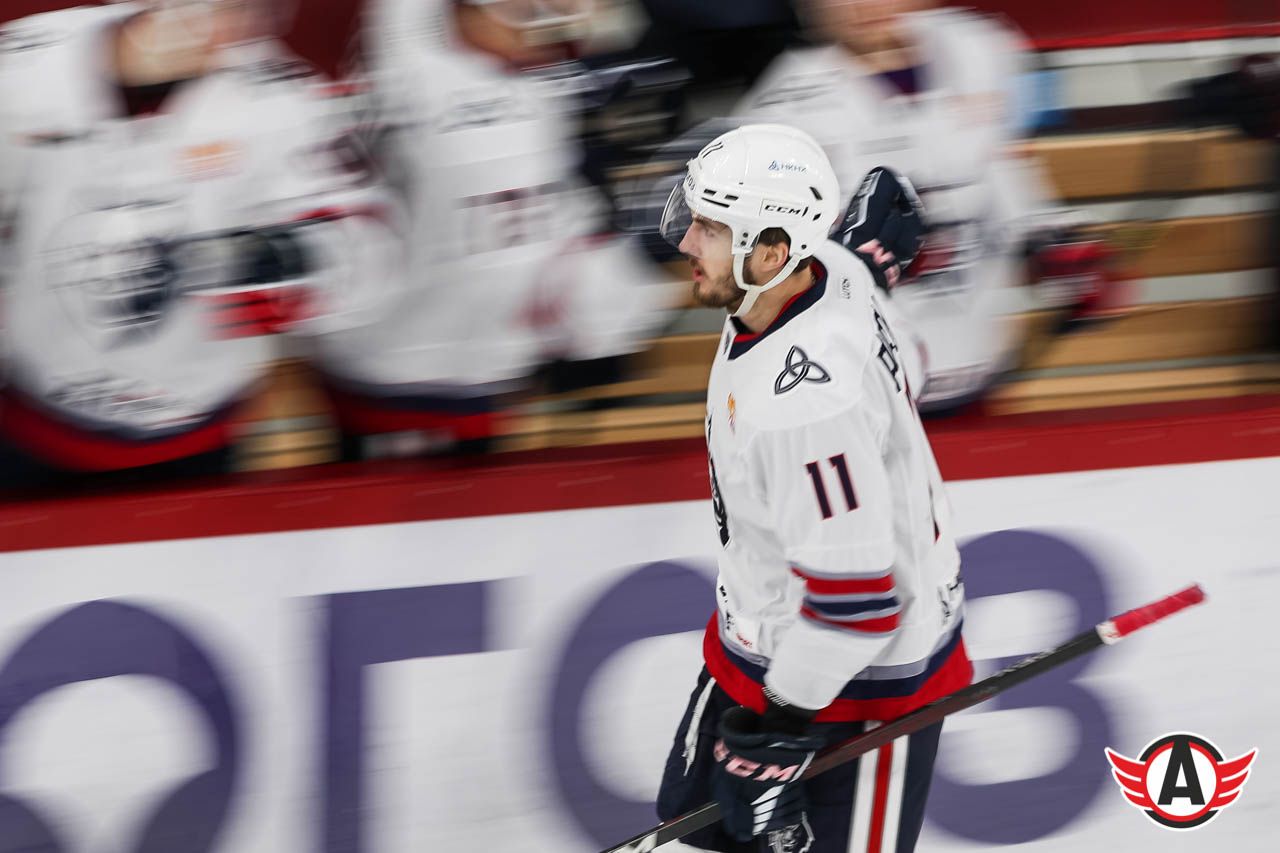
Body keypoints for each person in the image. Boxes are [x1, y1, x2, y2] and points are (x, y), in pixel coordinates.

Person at [655, 124, 971, 853]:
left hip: (854, 690)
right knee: (697, 823)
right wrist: (871, 262)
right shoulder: (828, 266)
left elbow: (856, 610)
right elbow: (905, 356)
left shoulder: (804, 409)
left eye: (709, 228)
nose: (687, 243)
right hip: (770, 640)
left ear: (770, 252)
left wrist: (779, 731)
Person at [0, 0, 402, 481]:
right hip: (28, 425)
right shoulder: (22, 64)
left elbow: (365, 248)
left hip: (197, 433)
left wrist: (276, 259)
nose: (234, 22)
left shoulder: (281, 98)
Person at [306, 0, 677, 457]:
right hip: (397, 367)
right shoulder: (414, 78)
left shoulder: (542, 92)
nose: (535, 26)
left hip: (490, 367)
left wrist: (602, 317)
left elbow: (565, 218)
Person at [735, 0, 1123, 413]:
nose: (865, 5)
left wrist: (1053, 248)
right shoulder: (784, 102)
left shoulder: (976, 48)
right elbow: (746, 243)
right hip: (856, 390)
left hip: (981, 365)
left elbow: (1004, 171)